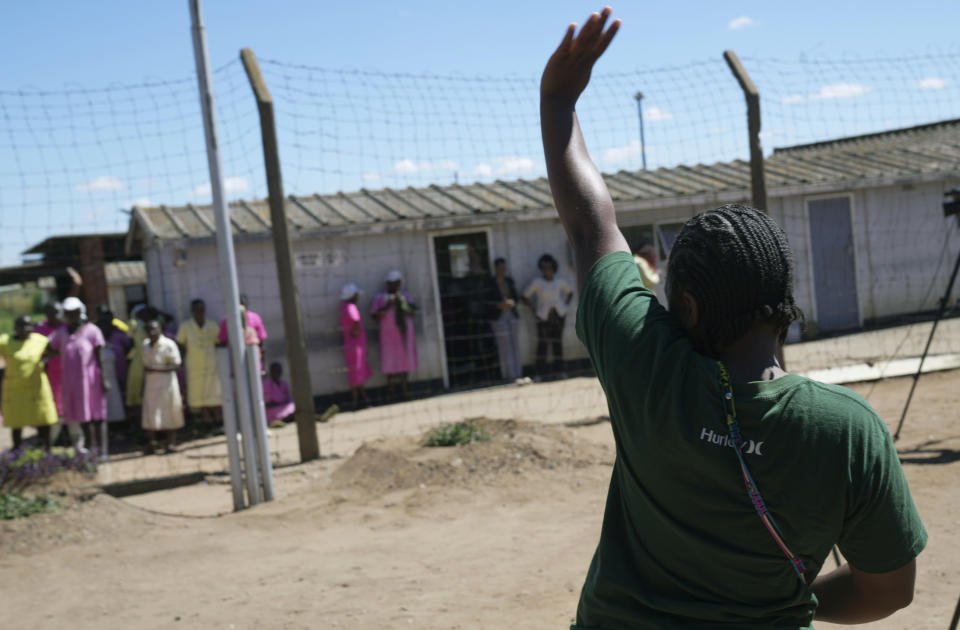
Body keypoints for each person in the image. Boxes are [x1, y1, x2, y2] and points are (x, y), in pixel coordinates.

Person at [540, 9, 925, 628]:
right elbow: (888, 592)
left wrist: (557, 101)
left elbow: (592, 226)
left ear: (687, 308)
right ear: (781, 296)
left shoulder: (646, 366)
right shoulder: (848, 433)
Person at [49, 297, 108, 453]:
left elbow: (100, 355)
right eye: (68, 313)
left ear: (80, 312)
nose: (72, 315)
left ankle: (100, 449)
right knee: (81, 415)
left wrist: (104, 379)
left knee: (96, 415)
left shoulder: (91, 330)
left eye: (74, 312)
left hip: (90, 380)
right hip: (71, 382)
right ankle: (88, 448)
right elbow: (50, 348)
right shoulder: (61, 333)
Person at [0, 316, 58, 450]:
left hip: (36, 388)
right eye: (22, 326)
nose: (25, 329)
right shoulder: (5, 342)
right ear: (15, 328)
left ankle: (47, 451)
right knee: (17, 422)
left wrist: (44, 362)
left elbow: (53, 352)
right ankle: (17, 452)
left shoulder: (40, 340)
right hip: (15, 389)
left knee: (42, 420)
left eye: (28, 326)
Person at [522, 253, 573, 377]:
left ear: (553, 267)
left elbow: (570, 293)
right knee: (543, 344)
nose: (547, 270)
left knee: (557, 343)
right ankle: (540, 373)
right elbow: (524, 297)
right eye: (544, 267)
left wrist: (565, 306)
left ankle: (560, 371)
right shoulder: (537, 282)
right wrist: (534, 310)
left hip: (558, 315)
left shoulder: (559, 281)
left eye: (549, 267)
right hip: (543, 316)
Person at [371, 270, 418, 402]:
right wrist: (388, 305)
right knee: (390, 363)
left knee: (405, 362)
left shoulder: (404, 296)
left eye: (397, 283)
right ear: (388, 283)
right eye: (392, 283)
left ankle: (405, 391)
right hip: (388, 336)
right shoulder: (380, 298)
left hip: (404, 334)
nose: (395, 285)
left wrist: (402, 304)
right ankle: (390, 394)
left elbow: (413, 310)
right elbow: (374, 315)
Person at [176, 298, 222, 432]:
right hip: (194, 365)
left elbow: (219, 342)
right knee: (200, 397)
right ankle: (207, 425)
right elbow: (179, 342)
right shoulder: (185, 326)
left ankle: (219, 423)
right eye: (196, 310)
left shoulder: (212, 325)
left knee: (214, 395)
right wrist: (183, 356)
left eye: (201, 309)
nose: (199, 312)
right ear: (192, 311)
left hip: (212, 365)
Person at [141, 320, 184, 453]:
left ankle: (171, 443)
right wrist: (141, 387)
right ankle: (152, 443)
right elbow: (145, 368)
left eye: (155, 329)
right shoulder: (145, 345)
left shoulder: (168, 344)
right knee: (151, 413)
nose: (153, 333)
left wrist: (156, 369)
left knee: (169, 411)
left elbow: (176, 365)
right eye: (150, 330)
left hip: (167, 384)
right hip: (151, 385)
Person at [486, 258, 522, 381]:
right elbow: (486, 301)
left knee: (515, 345)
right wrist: (498, 304)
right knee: (504, 346)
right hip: (498, 316)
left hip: (511, 314)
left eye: (504, 268)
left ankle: (519, 373)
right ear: (495, 269)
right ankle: (509, 374)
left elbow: (516, 297)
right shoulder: (490, 283)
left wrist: (512, 302)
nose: (502, 270)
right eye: (500, 268)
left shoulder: (509, 281)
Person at [339, 282, 372, 409]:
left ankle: (361, 399)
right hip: (356, 345)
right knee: (356, 372)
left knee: (356, 372)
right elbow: (356, 322)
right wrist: (355, 332)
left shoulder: (343, 307)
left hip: (351, 344)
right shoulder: (350, 307)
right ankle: (358, 401)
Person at [218, 294, 267, 367]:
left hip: (253, 360)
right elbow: (223, 343)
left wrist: (264, 366)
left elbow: (261, 343)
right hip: (235, 362)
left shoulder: (255, 318)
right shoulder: (227, 320)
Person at [34, 302, 65, 418]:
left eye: (57, 312)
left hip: (67, 371)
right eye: (52, 312)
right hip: (48, 373)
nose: (55, 315)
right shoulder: (38, 330)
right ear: (46, 313)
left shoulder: (66, 328)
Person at [262, 362, 295, 427]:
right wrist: (278, 404)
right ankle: (281, 420)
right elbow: (268, 403)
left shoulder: (283, 384)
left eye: (278, 371)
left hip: (283, 406)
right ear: (271, 372)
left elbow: (289, 399)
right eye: (275, 371)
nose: (277, 373)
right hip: (271, 410)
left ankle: (286, 418)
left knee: (292, 406)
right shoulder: (266, 384)